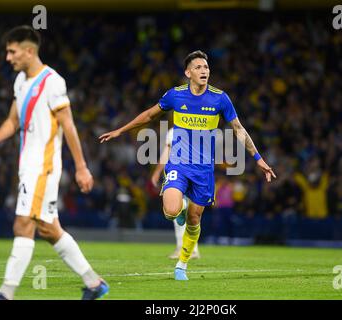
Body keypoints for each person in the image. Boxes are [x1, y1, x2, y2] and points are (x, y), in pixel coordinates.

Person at [99, 50, 276, 280]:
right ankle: (179, 209)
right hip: (179, 164)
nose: (204, 71)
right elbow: (149, 115)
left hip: (204, 171)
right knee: (172, 210)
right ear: (188, 72)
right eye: (199, 67)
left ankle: (182, 264)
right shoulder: (175, 95)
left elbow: (239, 129)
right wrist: (121, 130)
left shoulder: (220, 98)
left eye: (206, 67)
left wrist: (258, 159)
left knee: (194, 220)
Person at [0, 26, 108, 299]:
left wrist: (82, 167)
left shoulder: (52, 81)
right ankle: (95, 284)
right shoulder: (20, 81)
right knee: (49, 228)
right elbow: (14, 121)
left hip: (43, 166)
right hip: (28, 166)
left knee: (22, 225)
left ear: (29, 51)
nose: (7, 58)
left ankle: (5, 293)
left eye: (12, 52)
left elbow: (68, 126)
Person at [151, 127, 200, 259]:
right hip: (194, 172)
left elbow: (167, 152)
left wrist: (157, 171)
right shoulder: (200, 127)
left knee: (181, 209)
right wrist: (157, 171)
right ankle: (190, 249)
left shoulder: (174, 131)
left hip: (182, 172)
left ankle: (186, 248)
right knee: (188, 211)